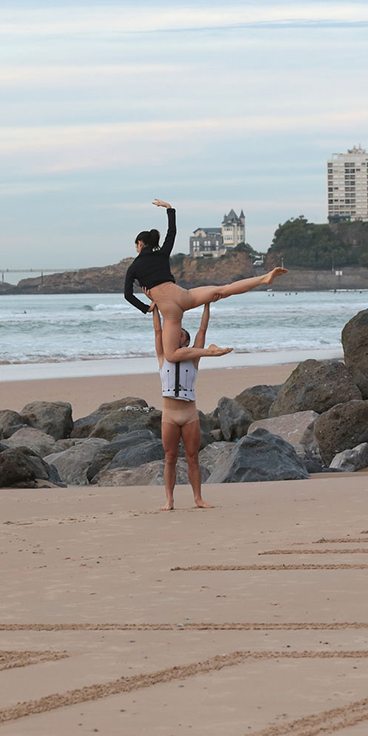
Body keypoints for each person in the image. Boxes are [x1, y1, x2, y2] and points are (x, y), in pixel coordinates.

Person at [125, 198, 287, 363]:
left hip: (170, 310)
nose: (136, 248)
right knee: (224, 289)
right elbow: (171, 232)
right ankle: (264, 278)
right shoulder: (162, 253)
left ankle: (208, 352)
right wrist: (169, 209)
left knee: (171, 355)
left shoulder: (134, 267)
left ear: (139, 243)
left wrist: (147, 307)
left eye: (136, 245)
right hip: (183, 295)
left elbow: (128, 295)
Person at [152, 301, 230, 510]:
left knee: (192, 457)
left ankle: (198, 498)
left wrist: (206, 304)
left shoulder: (195, 357)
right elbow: (159, 330)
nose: (176, 335)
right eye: (174, 333)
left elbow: (202, 330)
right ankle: (169, 500)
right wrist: (157, 308)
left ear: (186, 340)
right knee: (170, 458)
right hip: (169, 415)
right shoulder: (163, 357)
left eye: (180, 334)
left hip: (189, 415)